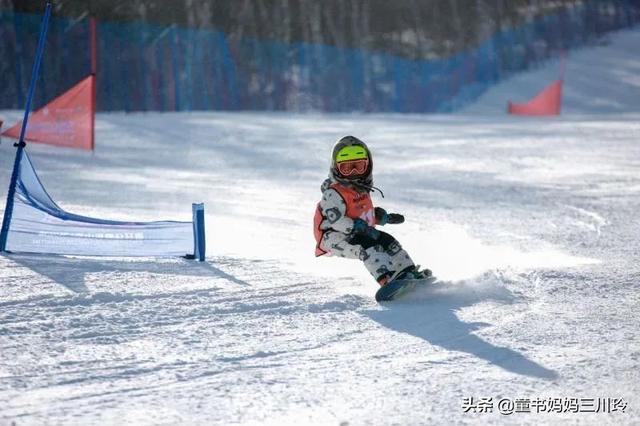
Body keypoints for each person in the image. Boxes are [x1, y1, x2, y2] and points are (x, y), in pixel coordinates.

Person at [313, 135, 431, 286]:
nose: (354, 173)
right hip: (333, 237)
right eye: (347, 168)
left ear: (368, 166)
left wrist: (383, 218)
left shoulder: (361, 189)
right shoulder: (333, 193)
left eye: (359, 166)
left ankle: (407, 271)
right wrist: (356, 226)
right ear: (336, 169)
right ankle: (386, 280)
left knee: (388, 241)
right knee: (369, 247)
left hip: (359, 232)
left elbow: (359, 212)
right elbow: (336, 221)